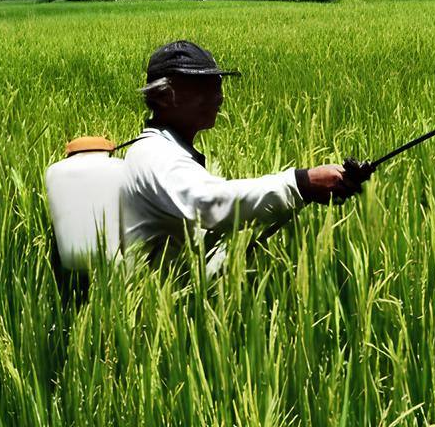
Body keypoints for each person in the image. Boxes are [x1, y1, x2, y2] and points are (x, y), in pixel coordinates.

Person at [119, 40, 366, 274]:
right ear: (164, 97)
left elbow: (210, 227)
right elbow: (211, 203)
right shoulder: (155, 155)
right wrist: (300, 183)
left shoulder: (167, 149)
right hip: (155, 311)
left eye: (217, 86)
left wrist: (306, 192)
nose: (218, 97)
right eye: (203, 88)